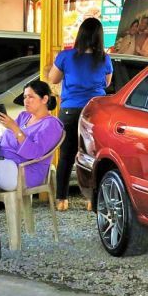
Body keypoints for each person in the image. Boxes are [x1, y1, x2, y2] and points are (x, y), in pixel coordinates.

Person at [0, 81, 63, 233]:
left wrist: (14, 128)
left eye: (31, 97)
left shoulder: (52, 125)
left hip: (25, 172)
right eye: (24, 97)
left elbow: (35, 152)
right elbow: (5, 142)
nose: (25, 101)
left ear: (45, 99)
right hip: (4, 167)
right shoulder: (23, 117)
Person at [48, 17, 113, 211]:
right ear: (99, 37)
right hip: (94, 111)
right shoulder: (104, 59)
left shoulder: (66, 57)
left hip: (70, 110)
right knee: (91, 155)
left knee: (66, 155)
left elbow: (53, 78)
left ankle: (61, 200)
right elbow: (107, 84)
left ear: (80, 35)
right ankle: (91, 200)